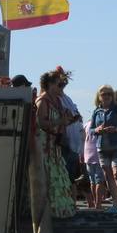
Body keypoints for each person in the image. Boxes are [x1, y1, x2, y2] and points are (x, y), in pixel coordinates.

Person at [34, 70, 77, 218]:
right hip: (44, 146)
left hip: (55, 146)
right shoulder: (43, 100)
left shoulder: (58, 101)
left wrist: (70, 120)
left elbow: (62, 121)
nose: (62, 88)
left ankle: (58, 211)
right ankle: (46, 211)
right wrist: (60, 121)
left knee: (57, 179)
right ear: (50, 85)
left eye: (64, 85)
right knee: (47, 177)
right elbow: (40, 123)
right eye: (60, 84)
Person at [90, 85, 117, 212]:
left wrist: (116, 129)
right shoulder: (96, 111)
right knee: (107, 175)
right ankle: (115, 203)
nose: (106, 96)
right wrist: (97, 129)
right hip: (102, 146)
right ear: (99, 97)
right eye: (103, 94)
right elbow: (91, 129)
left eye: (108, 94)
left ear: (112, 96)